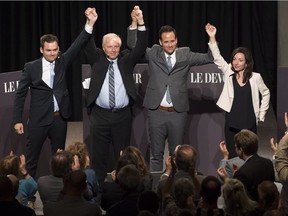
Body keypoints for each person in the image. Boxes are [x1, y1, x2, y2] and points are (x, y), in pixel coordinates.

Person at [12, 7, 97, 178]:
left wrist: (90, 23)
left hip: (59, 118)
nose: (52, 53)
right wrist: (17, 120)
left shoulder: (62, 61)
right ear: (41, 50)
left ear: (58, 49)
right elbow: (20, 94)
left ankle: (58, 192)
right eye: (49, 50)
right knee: (31, 159)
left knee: (59, 159)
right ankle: (29, 196)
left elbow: (78, 44)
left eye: (55, 50)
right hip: (38, 120)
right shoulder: (31, 67)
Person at [127, 17, 215, 172]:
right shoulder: (154, 53)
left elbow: (209, 57)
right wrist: (135, 23)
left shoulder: (185, 54)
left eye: (172, 41)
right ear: (160, 42)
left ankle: (175, 188)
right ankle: (155, 189)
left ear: (176, 40)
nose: (170, 44)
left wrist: (212, 37)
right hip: (156, 112)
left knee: (177, 155)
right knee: (156, 155)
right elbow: (133, 45)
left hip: (177, 113)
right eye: (166, 41)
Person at [83, 5, 148, 190]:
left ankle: (123, 191)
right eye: (109, 47)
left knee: (124, 158)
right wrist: (90, 22)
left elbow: (141, 46)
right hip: (100, 115)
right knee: (99, 158)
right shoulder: (96, 58)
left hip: (122, 116)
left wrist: (140, 22)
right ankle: (97, 193)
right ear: (103, 48)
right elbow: (87, 43)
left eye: (116, 46)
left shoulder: (126, 60)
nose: (113, 50)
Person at [206, 23, 270, 158]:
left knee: (249, 156)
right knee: (233, 157)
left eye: (240, 60)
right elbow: (217, 57)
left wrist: (261, 114)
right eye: (234, 59)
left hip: (249, 123)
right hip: (232, 122)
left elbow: (266, 93)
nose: (236, 62)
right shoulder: (228, 72)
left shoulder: (255, 77)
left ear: (246, 63)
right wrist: (212, 37)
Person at [217, 129, 275, 201]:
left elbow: (236, 197)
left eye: (235, 147)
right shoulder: (268, 163)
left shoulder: (241, 173)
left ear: (240, 150)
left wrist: (226, 179)